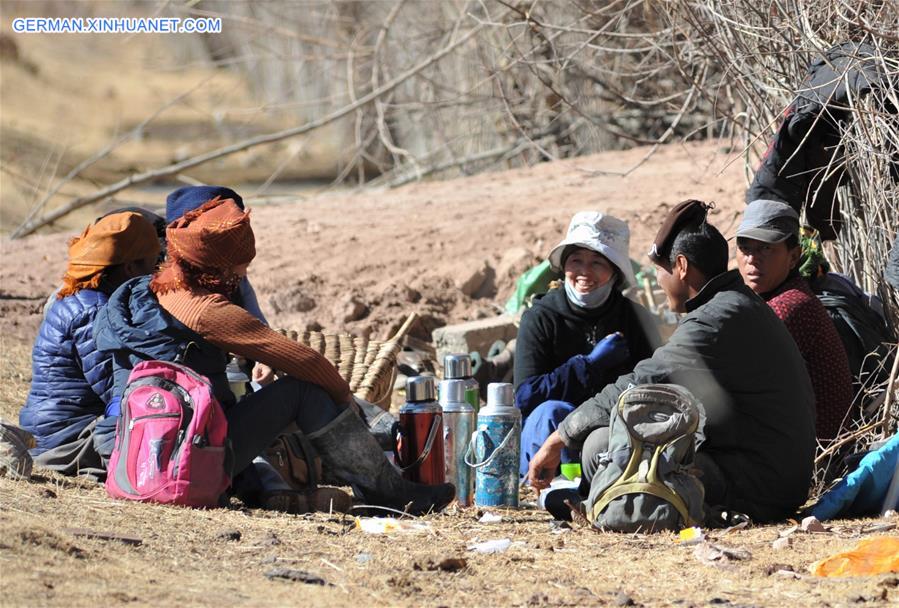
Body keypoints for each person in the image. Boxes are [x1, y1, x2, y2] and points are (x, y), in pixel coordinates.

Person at [94, 196, 454, 515]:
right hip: (186, 460)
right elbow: (308, 362)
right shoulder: (206, 311)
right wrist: (347, 402)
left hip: (128, 455)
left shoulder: (135, 293)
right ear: (218, 269)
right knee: (305, 390)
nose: (242, 276)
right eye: (239, 269)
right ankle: (390, 495)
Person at [528, 200, 816, 523]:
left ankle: (612, 505)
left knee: (599, 448)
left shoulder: (715, 320)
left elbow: (639, 385)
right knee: (603, 446)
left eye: (660, 271)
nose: (660, 283)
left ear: (681, 267)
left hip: (760, 485)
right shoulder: (732, 304)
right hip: (766, 473)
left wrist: (560, 438)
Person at [514, 211, 660, 476]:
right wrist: (587, 365)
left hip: (609, 432)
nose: (584, 272)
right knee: (552, 411)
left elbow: (653, 384)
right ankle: (549, 489)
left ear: (614, 271)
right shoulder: (541, 317)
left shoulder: (635, 319)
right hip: (549, 439)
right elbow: (525, 396)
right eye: (576, 261)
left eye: (597, 263)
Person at [19, 212, 161, 478]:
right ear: (130, 268)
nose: (155, 276)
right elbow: (117, 389)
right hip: (67, 440)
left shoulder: (85, 298)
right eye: (152, 266)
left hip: (56, 430)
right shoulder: (93, 311)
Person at [735, 199, 853, 441]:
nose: (752, 259)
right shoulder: (781, 295)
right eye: (745, 247)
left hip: (816, 457)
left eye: (766, 248)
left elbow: (739, 383)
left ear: (794, 256)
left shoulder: (788, 307)